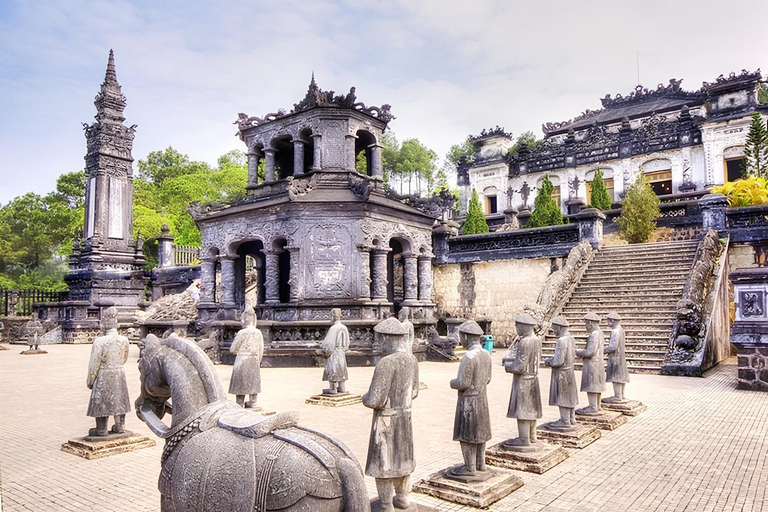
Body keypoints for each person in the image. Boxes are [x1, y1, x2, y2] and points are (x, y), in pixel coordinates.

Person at [363, 317, 419, 512]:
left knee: (384, 463)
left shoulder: (386, 363)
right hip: (405, 418)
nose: (380, 343)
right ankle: (403, 498)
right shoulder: (412, 360)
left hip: (386, 421)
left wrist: (364, 397)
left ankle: (386, 505)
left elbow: (374, 400)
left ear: (388, 338)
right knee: (403, 459)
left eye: (381, 338)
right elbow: (414, 392)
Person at [449, 319, 492, 478]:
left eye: (461, 335)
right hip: (482, 399)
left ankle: (469, 467)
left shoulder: (469, 357)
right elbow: (488, 378)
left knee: (467, 434)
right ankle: (481, 464)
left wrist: (452, 383)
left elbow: (463, 382)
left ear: (466, 336)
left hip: (469, 402)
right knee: (481, 432)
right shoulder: (486, 354)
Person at [86, 306, 130, 436]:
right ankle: (120, 426)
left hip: (104, 373)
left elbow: (94, 363)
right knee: (120, 399)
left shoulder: (99, 341)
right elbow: (124, 358)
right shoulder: (124, 340)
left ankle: (101, 429)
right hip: (119, 372)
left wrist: (90, 380)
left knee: (102, 401)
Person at [503, 313, 543, 451]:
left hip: (523, 381)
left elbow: (520, 367)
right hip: (533, 378)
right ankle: (532, 436)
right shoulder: (537, 339)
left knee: (523, 410)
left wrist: (508, 366)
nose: (516, 328)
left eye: (517, 325)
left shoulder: (525, 342)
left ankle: (524, 439)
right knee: (532, 409)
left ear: (522, 326)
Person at [544, 316, 579, 428]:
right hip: (570, 370)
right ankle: (571, 418)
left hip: (563, 373)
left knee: (563, 396)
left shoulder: (561, 340)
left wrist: (549, 361)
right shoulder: (571, 338)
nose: (553, 330)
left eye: (554, 327)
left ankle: (565, 421)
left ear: (559, 327)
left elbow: (558, 361)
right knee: (570, 395)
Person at [229, 306, 264, 409]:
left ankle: (239, 403)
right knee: (253, 381)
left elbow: (232, 349)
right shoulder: (258, 333)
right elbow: (261, 349)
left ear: (244, 319)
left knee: (240, 383)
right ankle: (253, 402)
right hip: (254, 360)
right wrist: (257, 360)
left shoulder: (241, 333)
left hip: (241, 361)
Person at [576, 312, 606, 414]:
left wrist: (578, 352)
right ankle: (597, 405)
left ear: (590, 323)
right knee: (596, 386)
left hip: (592, 364)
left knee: (592, 386)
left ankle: (593, 407)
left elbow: (590, 352)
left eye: (586, 323)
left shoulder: (594, 334)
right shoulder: (600, 332)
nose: (585, 326)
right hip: (599, 362)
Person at [321, 308, 350, 395]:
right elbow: (347, 342)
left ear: (333, 316)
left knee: (333, 369)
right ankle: (342, 388)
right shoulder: (344, 327)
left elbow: (328, 343)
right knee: (341, 369)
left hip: (334, 352)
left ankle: (333, 389)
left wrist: (324, 349)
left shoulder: (333, 328)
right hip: (341, 351)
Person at [604, 312, 629, 403]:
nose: (607, 323)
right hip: (621, 355)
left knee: (616, 376)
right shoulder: (621, 330)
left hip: (615, 356)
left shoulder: (615, 331)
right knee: (621, 375)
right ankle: (621, 394)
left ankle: (617, 395)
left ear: (612, 320)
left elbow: (613, 347)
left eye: (608, 321)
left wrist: (604, 349)